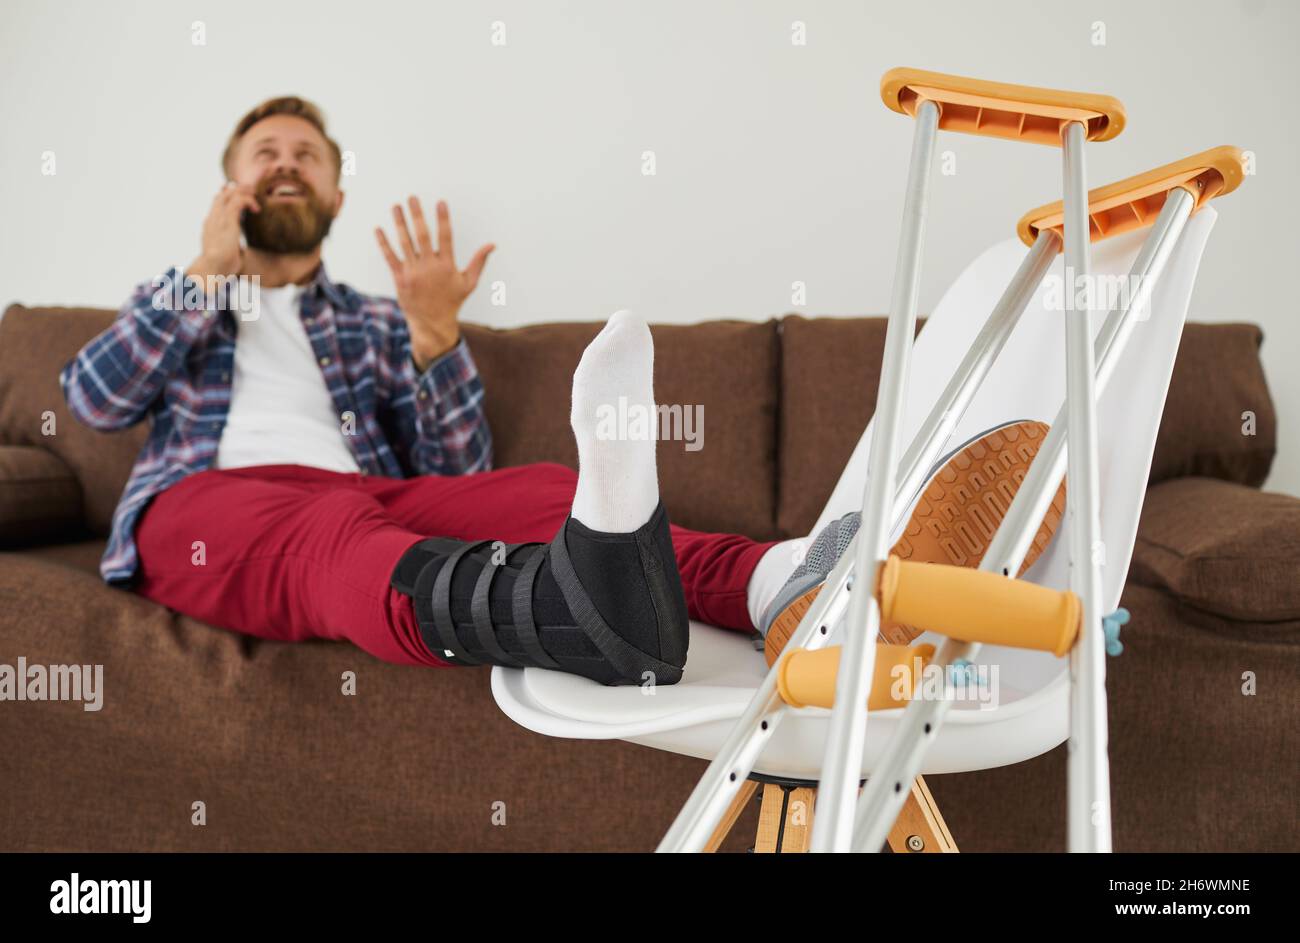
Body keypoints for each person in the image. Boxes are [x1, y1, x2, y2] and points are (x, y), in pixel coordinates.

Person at [60, 96, 1058, 687]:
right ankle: (576, 618)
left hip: (360, 491)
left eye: (306, 156)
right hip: (214, 510)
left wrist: (438, 339)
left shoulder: (365, 322)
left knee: (537, 490)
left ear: (335, 195)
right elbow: (93, 401)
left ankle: (790, 584)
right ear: (229, 184)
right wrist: (204, 268)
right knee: (347, 548)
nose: (286, 166)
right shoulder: (182, 296)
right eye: (263, 156)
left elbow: (455, 471)